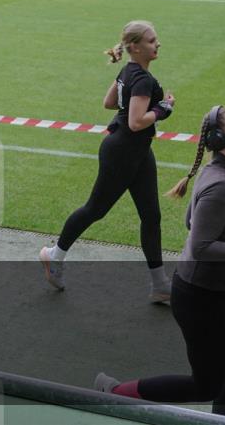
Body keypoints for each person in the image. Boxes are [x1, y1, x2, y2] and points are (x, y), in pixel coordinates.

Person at [94, 105, 225, 419]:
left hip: (220, 291)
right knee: (207, 384)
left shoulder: (218, 173)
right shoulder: (222, 184)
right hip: (202, 297)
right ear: (220, 138)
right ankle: (115, 394)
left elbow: (191, 221)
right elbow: (201, 247)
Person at [39, 20, 175, 302]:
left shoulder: (129, 70)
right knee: (95, 209)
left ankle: (160, 285)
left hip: (137, 151)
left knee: (152, 216)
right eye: (151, 40)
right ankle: (54, 256)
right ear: (135, 47)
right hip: (123, 151)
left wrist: (144, 107)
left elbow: (109, 103)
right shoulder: (142, 79)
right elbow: (137, 122)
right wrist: (163, 109)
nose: (157, 44)